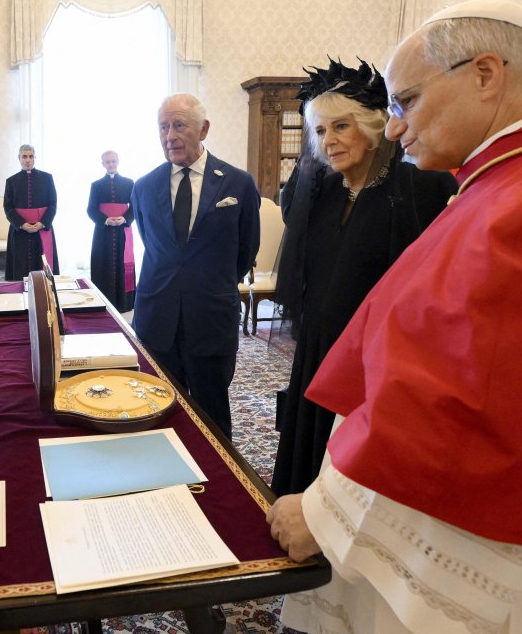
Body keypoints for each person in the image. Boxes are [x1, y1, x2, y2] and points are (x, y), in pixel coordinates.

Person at [268, 0, 522, 634]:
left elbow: (459, 394)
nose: (396, 128)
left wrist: (323, 513)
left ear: (485, 74)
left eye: (406, 101)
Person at [270, 59, 455, 499]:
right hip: (318, 350)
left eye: (341, 127)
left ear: (373, 128)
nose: (328, 141)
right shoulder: (318, 192)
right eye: (319, 131)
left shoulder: (422, 188)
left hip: (377, 360)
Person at [131, 93, 260, 440]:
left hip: (211, 316)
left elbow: (246, 250)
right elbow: (155, 246)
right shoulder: (143, 188)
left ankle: (220, 485)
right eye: (163, 127)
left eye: (179, 125)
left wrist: (208, 282)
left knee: (212, 416)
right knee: (156, 410)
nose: (170, 135)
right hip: (157, 317)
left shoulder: (238, 184)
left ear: (203, 129)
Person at [86, 150, 136, 312]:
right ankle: (103, 301)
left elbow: (135, 206)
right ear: (103, 164)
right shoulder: (96, 185)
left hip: (122, 231)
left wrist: (125, 219)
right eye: (107, 162)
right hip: (103, 233)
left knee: (122, 264)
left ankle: (124, 303)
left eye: (113, 161)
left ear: (118, 161)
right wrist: (105, 220)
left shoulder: (129, 183)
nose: (111, 164)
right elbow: (91, 209)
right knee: (103, 263)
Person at [3, 144, 59, 280]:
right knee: (19, 267)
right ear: (19, 158)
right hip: (20, 231)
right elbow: (7, 207)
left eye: (30, 156)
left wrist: (42, 223)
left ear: (35, 158)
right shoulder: (11, 181)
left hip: (42, 229)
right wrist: (21, 224)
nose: (27, 160)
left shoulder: (47, 178)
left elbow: (53, 204)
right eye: (24, 157)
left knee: (43, 268)